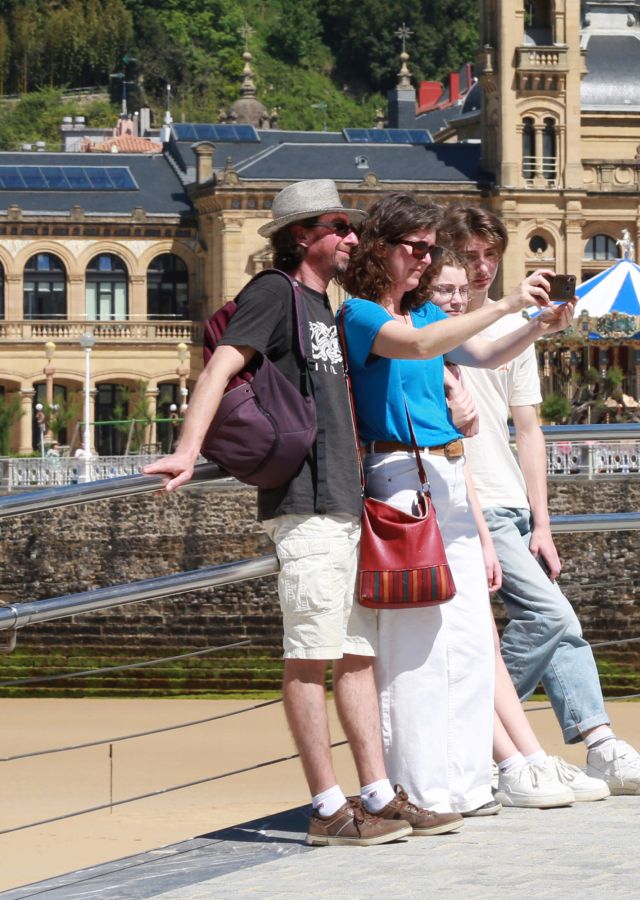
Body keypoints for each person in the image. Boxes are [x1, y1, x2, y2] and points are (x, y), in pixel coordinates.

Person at [143, 180, 447, 847]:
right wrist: (187, 450)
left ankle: (375, 795)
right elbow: (220, 367)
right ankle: (325, 806)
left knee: (357, 655)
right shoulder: (274, 293)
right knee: (309, 656)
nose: (352, 238)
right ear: (303, 234)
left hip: (342, 502)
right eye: (339, 226)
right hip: (305, 506)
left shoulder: (324, 304)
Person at [336, 193, 573, 817]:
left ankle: (467, 783)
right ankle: (421, 784)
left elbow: (483, 355)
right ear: (379, 249)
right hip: (402, 478)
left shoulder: (417, 313)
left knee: (469, 638)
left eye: (427, 249)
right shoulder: (362, 315)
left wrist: (536, 326)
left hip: (447, 477)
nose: (422, 259)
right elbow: (418, 350)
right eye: (413, 248)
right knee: (419, 641)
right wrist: (506, 303)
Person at [441, 205, 640, 796]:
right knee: (553, 618)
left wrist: (542, 523)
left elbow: (529, 430)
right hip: (466, 501)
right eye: (468, 257)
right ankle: (474, 731)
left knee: (560, 626)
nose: (479, 270)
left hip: (507, 501)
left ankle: (596, 744)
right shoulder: (436, 324)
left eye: (488, 257)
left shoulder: (515, 330)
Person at [430, 260, 604, 812]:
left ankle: (573, 746)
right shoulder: (415, 333)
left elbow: (519, 413)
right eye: (446, 288)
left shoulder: (460, 338)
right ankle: (492, 748)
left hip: (488, 499)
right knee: (544, 619)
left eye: (464, 288)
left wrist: (532, 324)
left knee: (557, 626)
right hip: (442, 499)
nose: (458, 296)